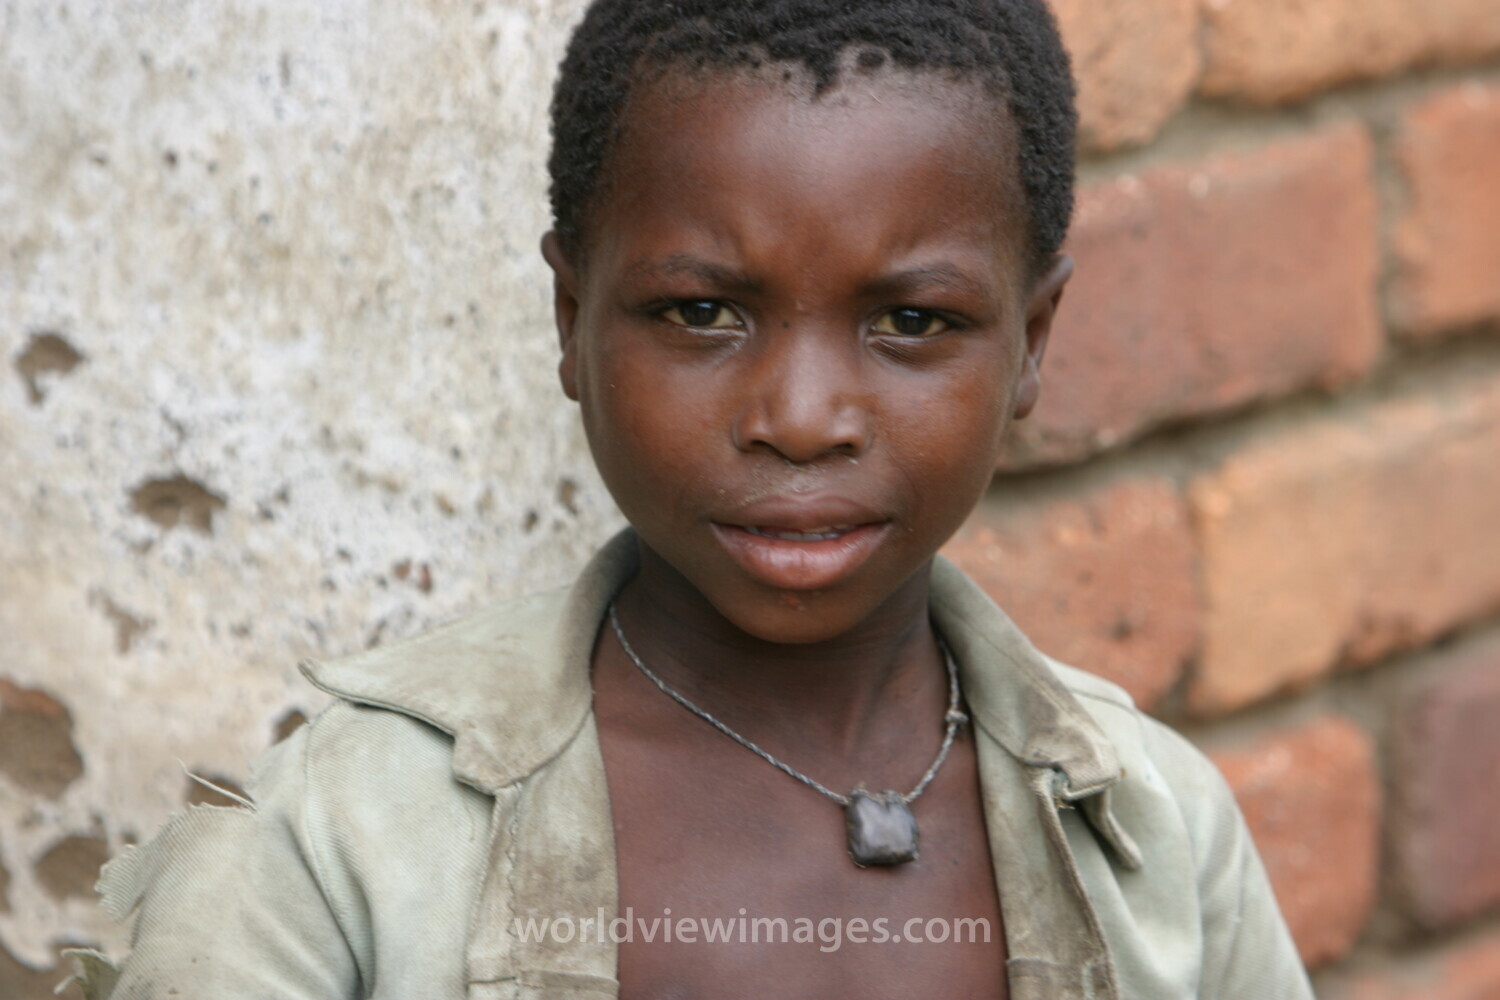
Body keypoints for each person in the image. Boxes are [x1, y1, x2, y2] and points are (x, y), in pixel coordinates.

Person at [77, 1, 1315, 997]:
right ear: (572, 318)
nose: (802, 418)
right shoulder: (327, 844)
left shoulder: (1154, 831)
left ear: (1032, 342)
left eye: (911, 321)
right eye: (702, 311)